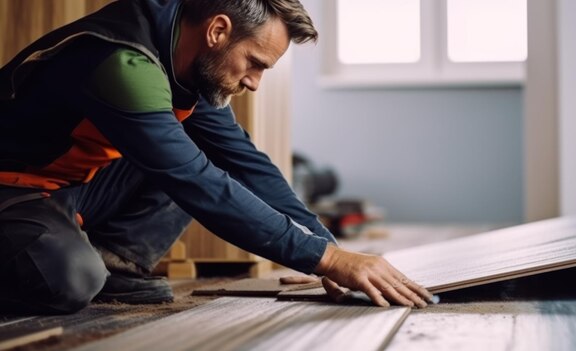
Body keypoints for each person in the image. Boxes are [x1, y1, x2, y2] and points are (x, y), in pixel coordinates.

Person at [0, 0, 433, 314]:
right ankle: (75, 264)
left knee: (207, 158)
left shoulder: (189, 61)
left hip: (68, 188)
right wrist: (329, 261)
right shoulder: (123, 63)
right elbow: (197, 182)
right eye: (254, 63)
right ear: (218, 30)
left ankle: (114, 262)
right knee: (71, 280)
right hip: (12, 191)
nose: (255, 83)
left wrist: (327, 248)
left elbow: (245, 163)